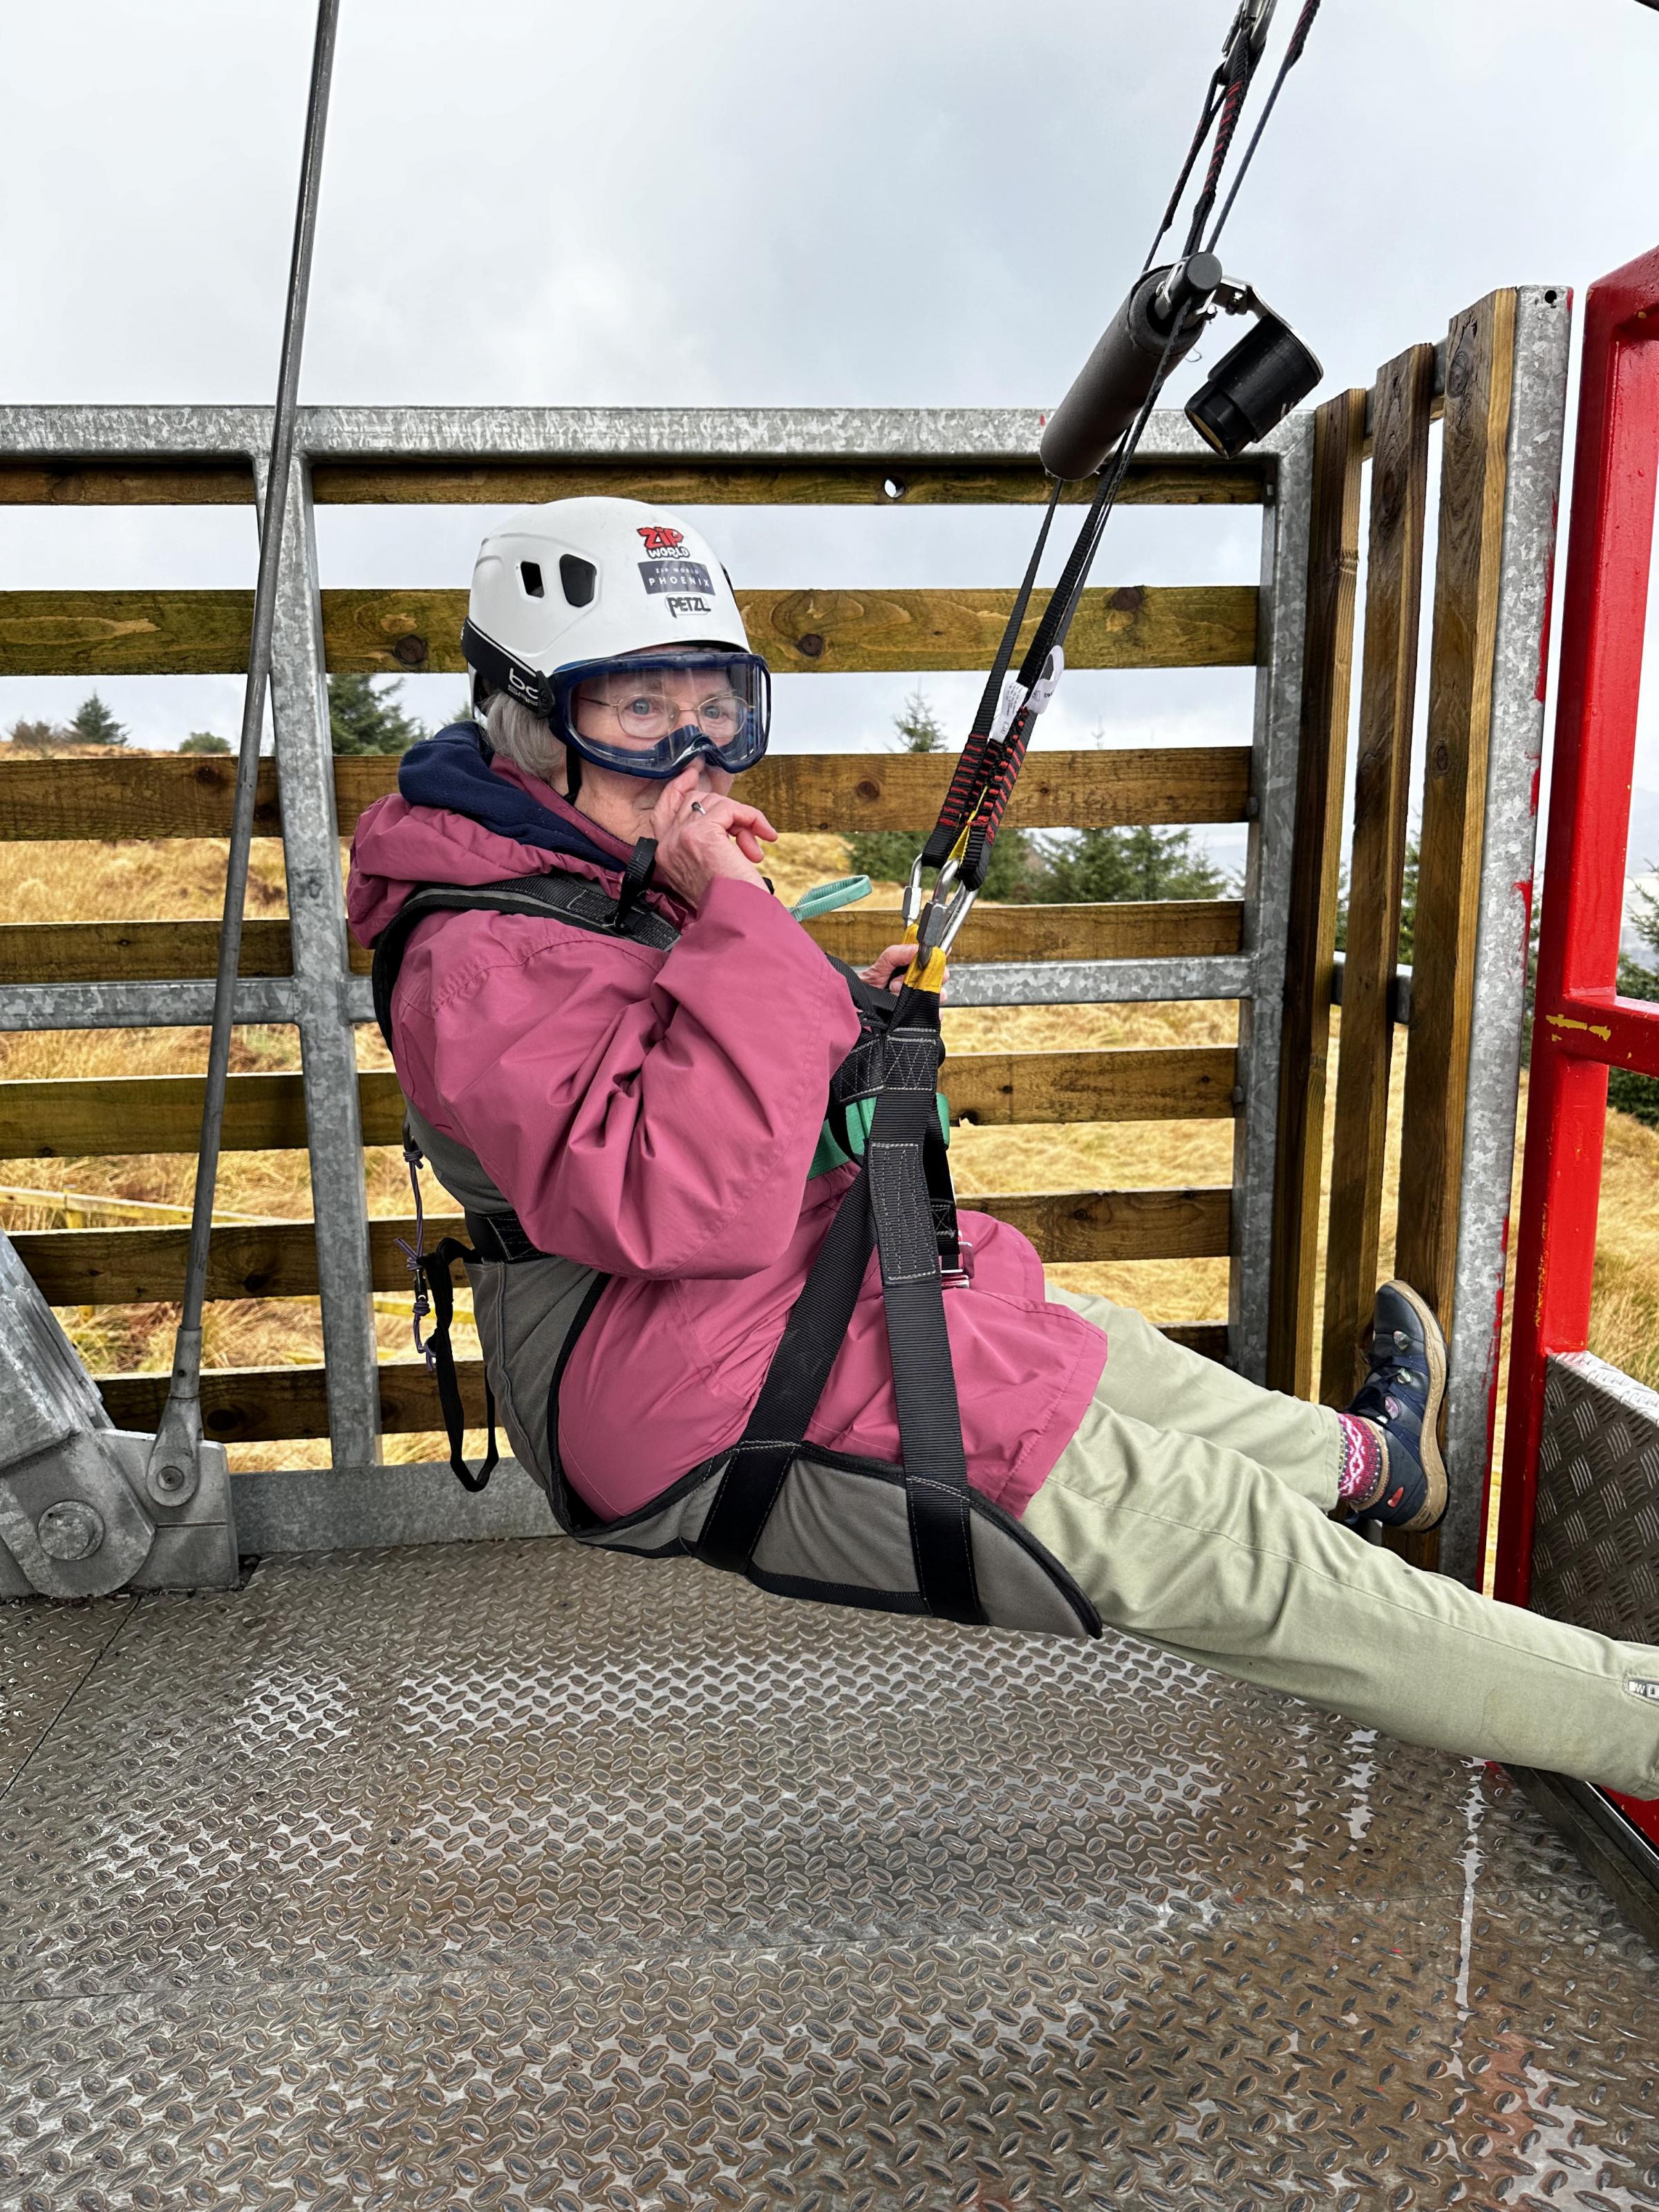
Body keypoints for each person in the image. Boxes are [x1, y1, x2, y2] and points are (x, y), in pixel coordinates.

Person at [347, 496, 1659, 1801]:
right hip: (676, 1380)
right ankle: (1637, 1718)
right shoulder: (482, 950)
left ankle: (1377, 1466)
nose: (696, 754)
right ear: (530, 721)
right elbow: (678, 1200)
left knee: (1099, 1341)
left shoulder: (578, 875)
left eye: (718, 708)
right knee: (1229, 1545)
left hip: (761, 1306)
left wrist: (831, 1009)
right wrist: (743, 916)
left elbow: (675, 1082)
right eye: (637, 710)